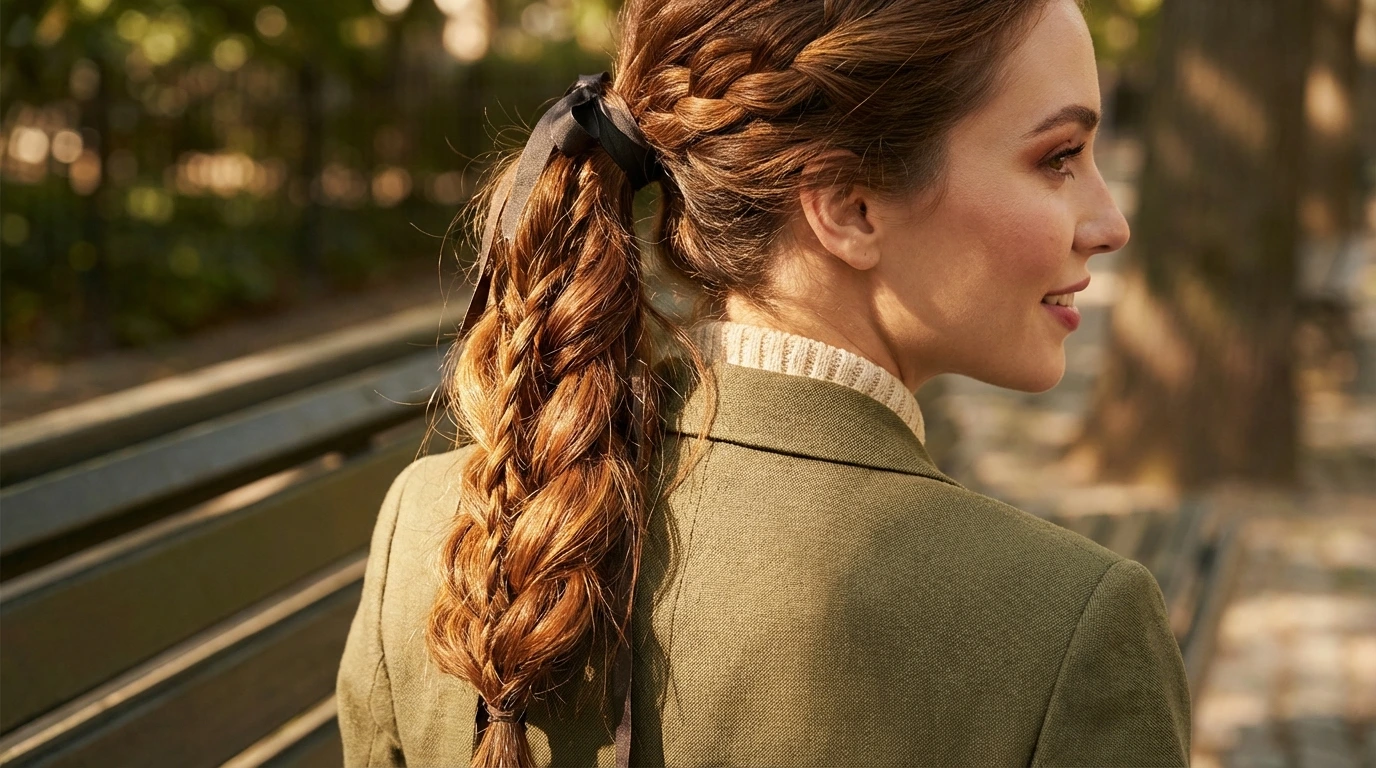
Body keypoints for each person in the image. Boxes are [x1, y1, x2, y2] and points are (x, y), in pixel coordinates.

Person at [337, 0, 1192, 765]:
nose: (1110, 223)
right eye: (1059, 158)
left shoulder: (442, 530)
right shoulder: (1069, 627)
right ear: (849, 205)